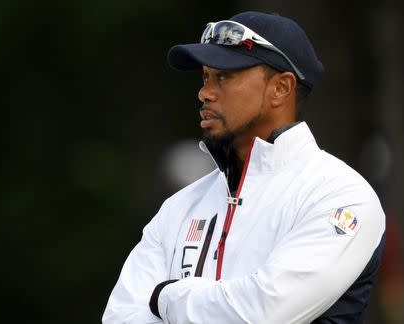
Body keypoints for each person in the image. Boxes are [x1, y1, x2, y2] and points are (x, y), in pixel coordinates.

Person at [102, 11, 386, 323]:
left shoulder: (340, 197)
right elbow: (120, 317)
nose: (204, 92)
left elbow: (263, 313)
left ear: (280, 88)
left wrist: (168, 296)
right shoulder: (178, 207)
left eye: (224, 76)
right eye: (205, 77)